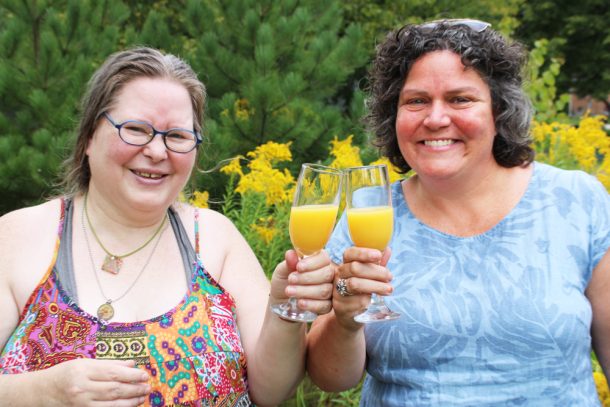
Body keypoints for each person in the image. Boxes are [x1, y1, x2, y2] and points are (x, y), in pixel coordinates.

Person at [0, 47, 334, 407]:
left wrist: (283, 310)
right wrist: (42, 393)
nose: (158, 151)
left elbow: (270, 391)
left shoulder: (216, 238)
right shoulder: (19, 237)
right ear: (88, 138)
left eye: (176, 136)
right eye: (136, 129)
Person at [306, 19, 610, 405]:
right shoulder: (368, 215)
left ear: (498, 110)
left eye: (460, 99)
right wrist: (346, 323)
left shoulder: (575, 201)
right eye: (416, 101)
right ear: (392, 115)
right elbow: (330, 379)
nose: (435, 119)